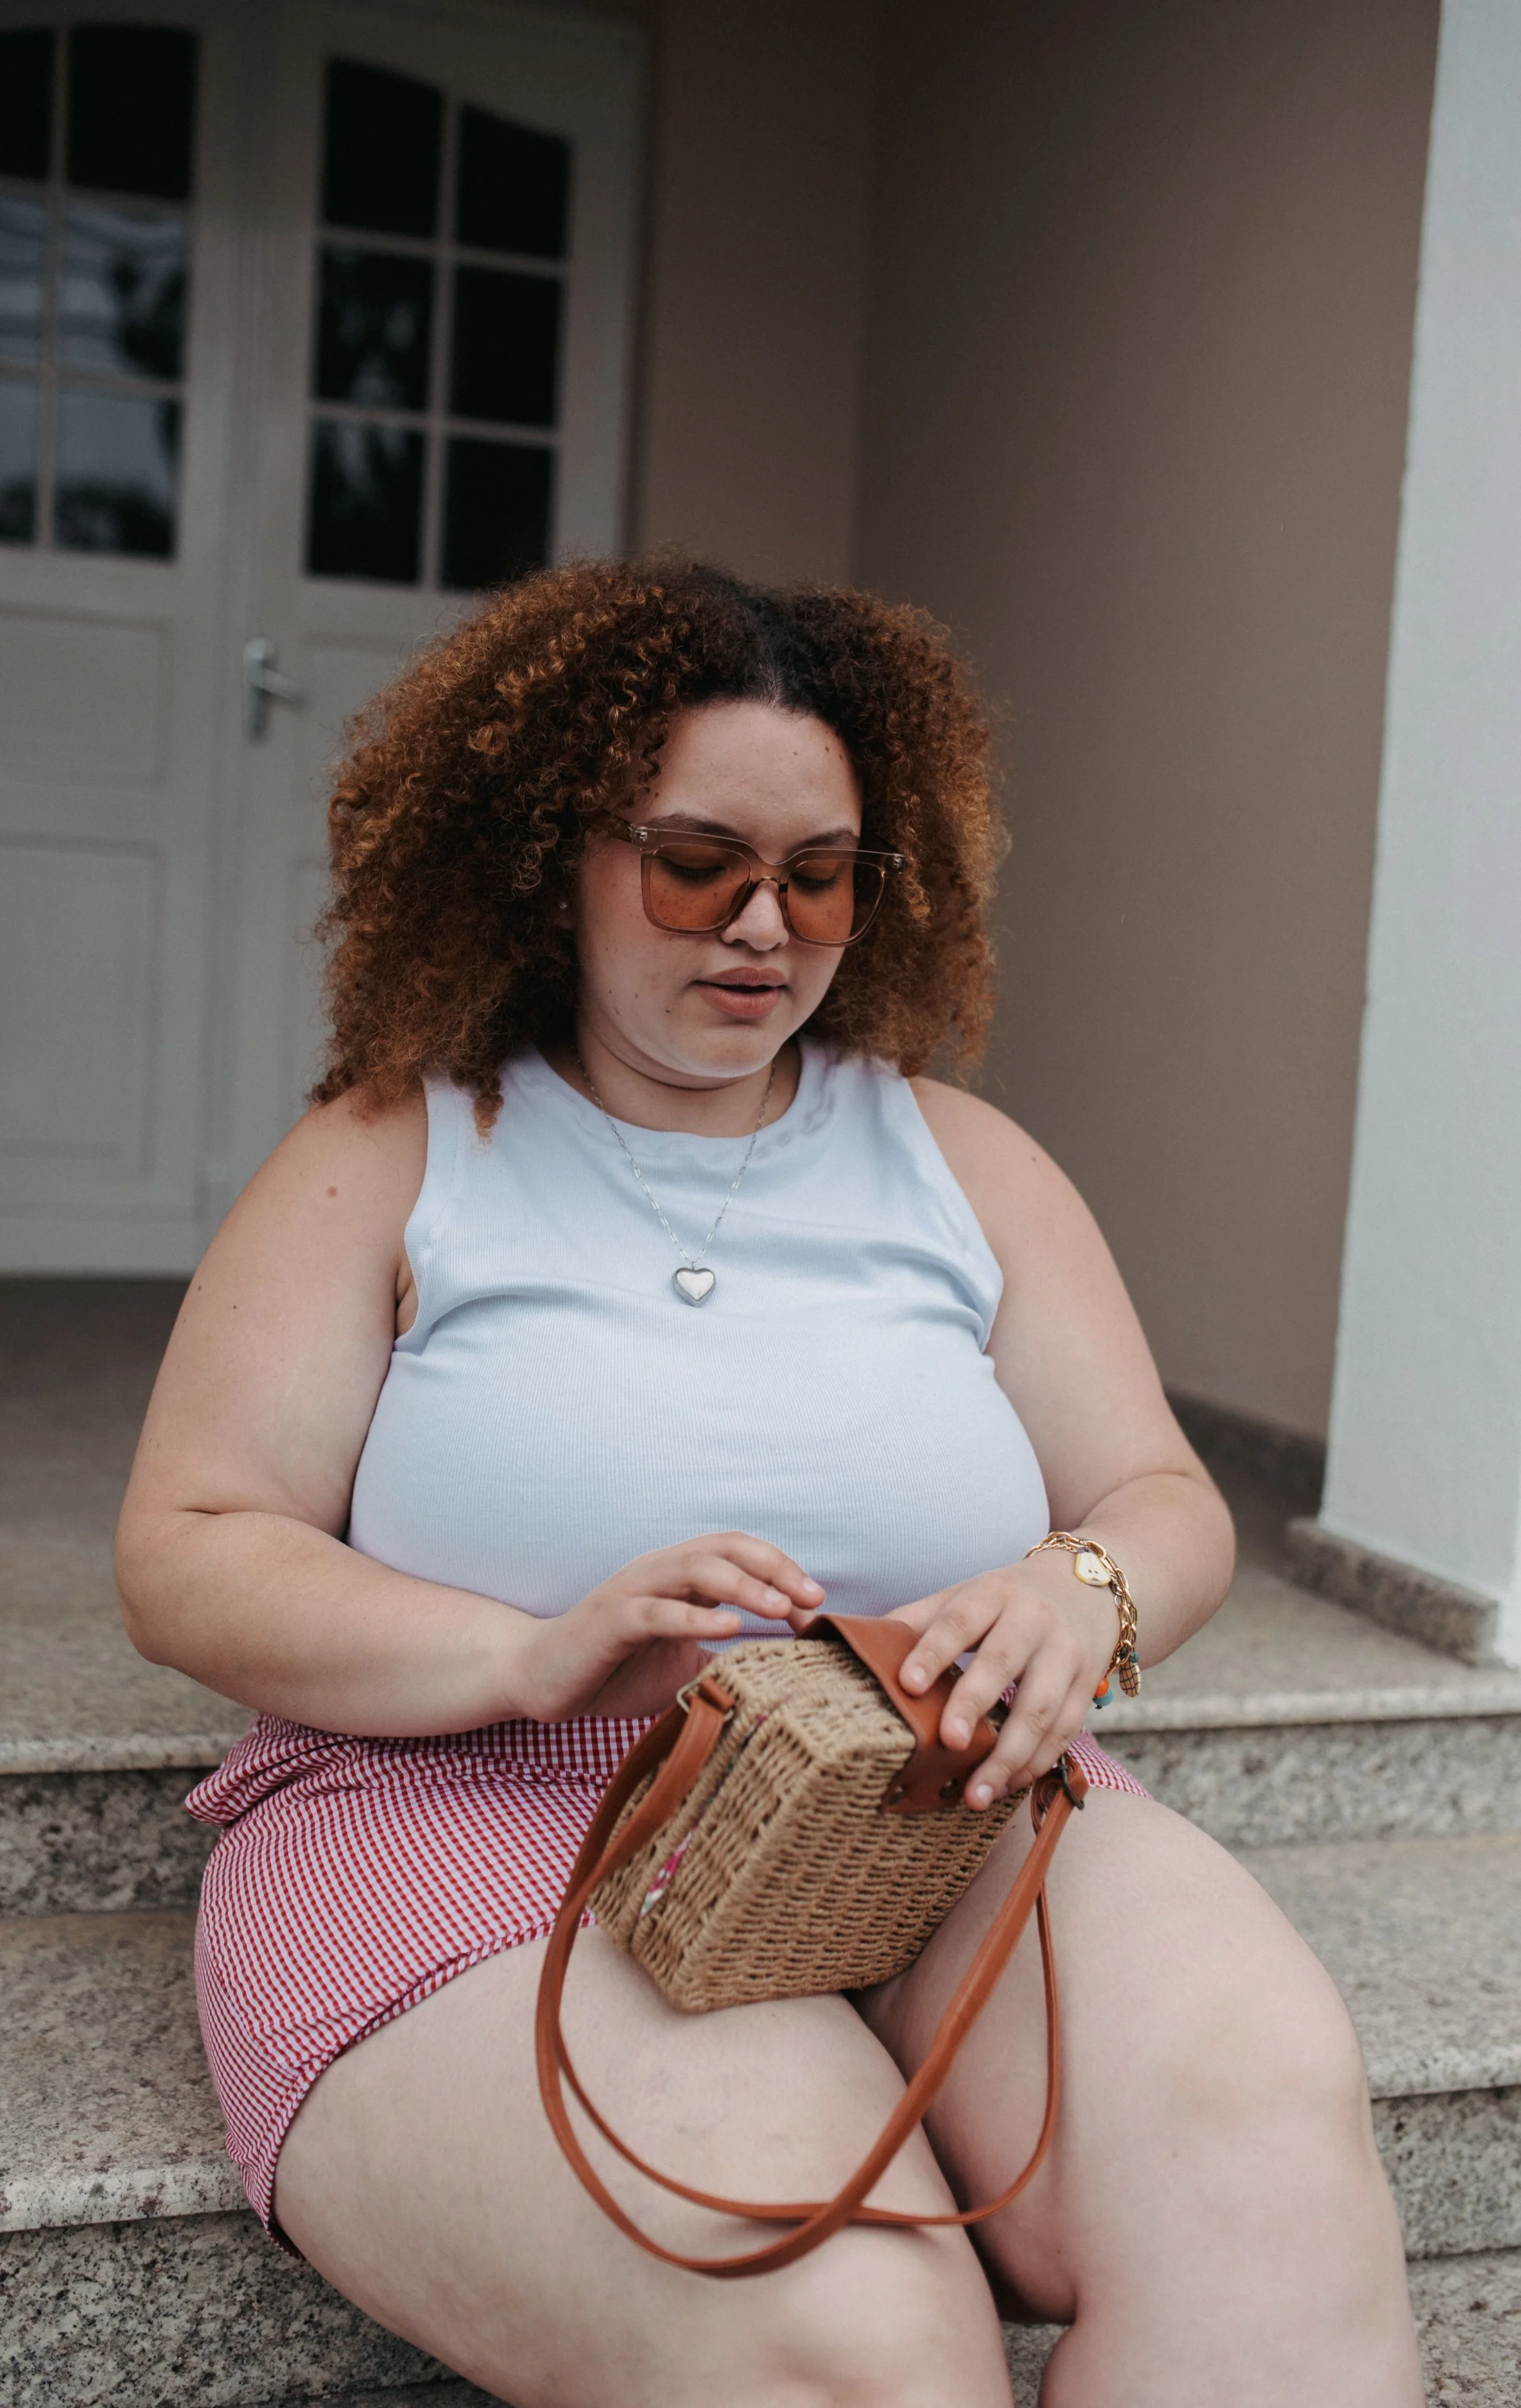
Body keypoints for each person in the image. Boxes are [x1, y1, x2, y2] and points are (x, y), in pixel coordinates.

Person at [116, 559, 1423, 2408]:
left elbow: (1156, 1489)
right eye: (695, 859)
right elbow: (187, 1550)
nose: (762, 923)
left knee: (1265, 2184)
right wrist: (522, 1651)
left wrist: (1081, 1593)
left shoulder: (960, 1156)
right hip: (467, 1809)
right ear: (550, 853)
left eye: (822, 872)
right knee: (849, 2328)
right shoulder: (393, 1148)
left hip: (930, 1782)